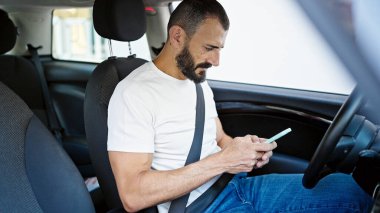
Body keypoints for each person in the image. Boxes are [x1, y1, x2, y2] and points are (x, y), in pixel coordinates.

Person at [107, 0, 373, 212]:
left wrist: (244, 152)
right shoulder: (134, 93)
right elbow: (133, 195)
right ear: (177, 36)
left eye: (220, 48)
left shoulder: (196, 81)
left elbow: (220, 138)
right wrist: (223, 161)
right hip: (198, 207)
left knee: (354, 192)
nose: (216, 60)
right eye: (209, 48)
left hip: (236, 186)